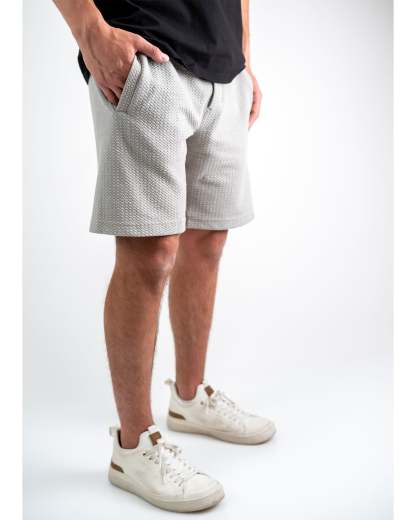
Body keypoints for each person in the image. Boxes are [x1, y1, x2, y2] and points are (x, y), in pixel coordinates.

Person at [53, 0, 275, 512]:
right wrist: (90, 32)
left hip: (225, 69)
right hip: (146, 54)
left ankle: (190, 399)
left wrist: (243, 55)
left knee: (209, 239)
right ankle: (133, 446)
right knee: (150, 253)